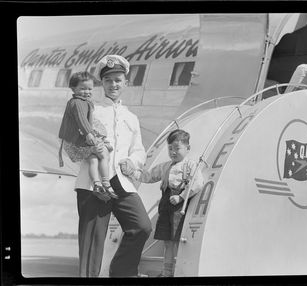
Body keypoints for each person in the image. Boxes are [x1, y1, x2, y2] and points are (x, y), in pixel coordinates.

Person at [74, 55, 152, 277]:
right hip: (94, 182)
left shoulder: (131, 117)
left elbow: (138, 150)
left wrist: (133, 161)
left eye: (118, 80)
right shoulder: (90, 110)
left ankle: (121, 273)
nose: (114, 84)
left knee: (141, 227)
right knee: (92, 245)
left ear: (125, 82)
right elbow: (73, 143)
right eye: (108, 80)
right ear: (102, 83)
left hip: (120, 181)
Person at [130, 129, 204, 277]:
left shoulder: (190, 166)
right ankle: (166, 272)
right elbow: (149, 176)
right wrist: (132, 172)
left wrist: (181, 197)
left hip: (179, 209)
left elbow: (197, 183)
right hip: (165, 208)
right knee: (167, 242)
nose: (173, 152)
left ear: (187, 149)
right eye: (170, 148)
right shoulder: (165, 167)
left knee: (176, 241)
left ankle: (177, 272)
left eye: (177, 148)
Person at [58, 71, 118, 199]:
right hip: (77, 141)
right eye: (83, 89)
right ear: (73, 88)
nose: (87, 91)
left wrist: (96, 134)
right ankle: (106, 182)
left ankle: (97, 184)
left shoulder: (84, 101)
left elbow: (90, 121)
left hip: (76, 140)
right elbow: (82, 120)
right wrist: (89, 134)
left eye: (90, 89)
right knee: (104, 154)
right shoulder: (77, 102)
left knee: (93, 159)